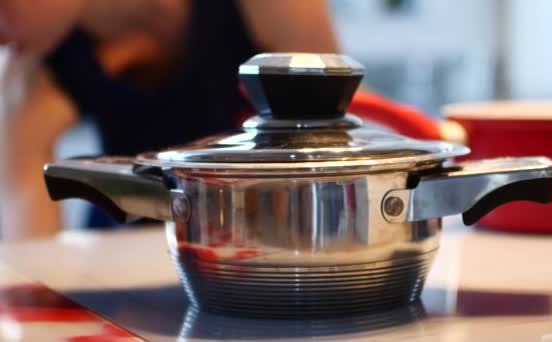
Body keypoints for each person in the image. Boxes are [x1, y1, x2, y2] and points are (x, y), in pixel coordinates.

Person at [0, 0, 339, 239]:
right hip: (119, 261)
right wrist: (19, 149)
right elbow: (32, 280)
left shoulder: (273, 8)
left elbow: (332, 167)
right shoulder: (29, 71)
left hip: (260, 246)